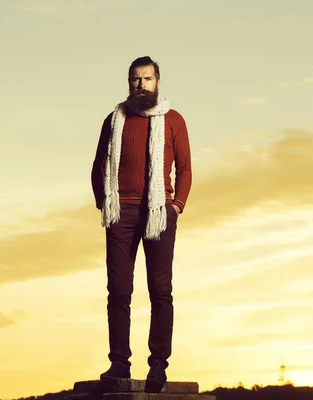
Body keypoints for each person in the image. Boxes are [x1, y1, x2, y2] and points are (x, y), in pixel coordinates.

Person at [90, 56, 192, 393]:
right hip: (121, 214)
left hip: (159, 213)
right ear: (129, 82)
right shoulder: (115, 119)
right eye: (135, 79)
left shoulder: (173, 120)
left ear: (158, 82)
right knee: (118, 290)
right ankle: (119, 362)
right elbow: (99, 164)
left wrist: (176, 205)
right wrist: (105, 202)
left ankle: (158, 366)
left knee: (161, 291)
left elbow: (185, 167)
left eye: (147, 79)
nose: (141, 85)